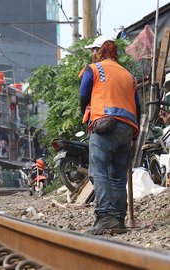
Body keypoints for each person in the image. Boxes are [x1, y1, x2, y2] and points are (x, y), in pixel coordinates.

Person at [79, 35, 140, 235]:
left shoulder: (94, 69)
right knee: (117, 176)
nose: (92, 54)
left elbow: (83, 95)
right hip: (127, 128)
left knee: (99, 172)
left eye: (93, 50)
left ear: (100, 50)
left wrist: (86, 115)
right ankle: (118, 220)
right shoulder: (128, 75)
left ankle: (105, 217)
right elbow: (137, 106)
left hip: (104, 124)